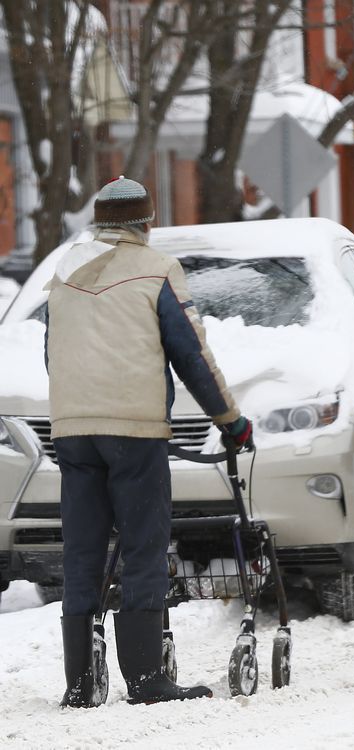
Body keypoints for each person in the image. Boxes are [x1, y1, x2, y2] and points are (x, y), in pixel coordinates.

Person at [45, 176, 253, 707]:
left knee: (83, 551)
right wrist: (230, 420)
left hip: (71, 428)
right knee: (142, 546)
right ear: (145, 222)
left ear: (99, 221)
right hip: (133, 432)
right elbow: (191, 356)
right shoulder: (157, 268)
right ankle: (145, 680)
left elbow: (53, 351)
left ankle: (81, 683)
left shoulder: (64, 270)